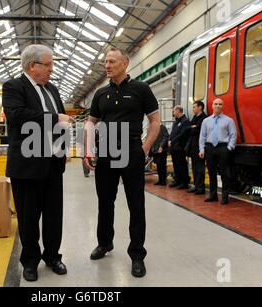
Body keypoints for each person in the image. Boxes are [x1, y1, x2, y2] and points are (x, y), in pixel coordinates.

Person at [84, 48, 161, 278]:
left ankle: (137, 254)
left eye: (112, 61)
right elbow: (90, 122)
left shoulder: (141, 89)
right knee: (105, 203)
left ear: (125, 63)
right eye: (105, 61)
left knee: (136, 205)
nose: (107, 65)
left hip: (131, 152)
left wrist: (144, 148)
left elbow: (155, 121)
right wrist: (89, 151)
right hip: (106, 153)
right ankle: (105, 243)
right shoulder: (100, 93)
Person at [2, 44, 74, 282]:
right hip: (27, 165)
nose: (52, 70)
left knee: (54, 215)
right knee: (28, 217)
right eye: (49, 65)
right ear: (33, 66)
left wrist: (63, 148)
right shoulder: (13, 87)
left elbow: (61, 124)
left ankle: (52, 256)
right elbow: (18, 116)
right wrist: (55, 118)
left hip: (53, 163)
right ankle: (30, 261)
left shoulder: (52, 89)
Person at [199, 98, 237, 205]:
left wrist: (229, 148)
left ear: (223, 106)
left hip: (223, 148)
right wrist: (202, 149)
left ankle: (225, 197)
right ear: (212, 106)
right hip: (210, 148)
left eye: (220, 104)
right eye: (216, 104)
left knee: (225, 174)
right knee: (211, 173)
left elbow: (233, 135)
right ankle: (213, 195)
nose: (218, 106)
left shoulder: (229, 120)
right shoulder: (206, 121)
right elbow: (202, 136)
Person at [186, 101, 208, 195]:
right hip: (193, 146)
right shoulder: (195, 117)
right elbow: (189, 128)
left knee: (200, 168)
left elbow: (197, 130)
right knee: (194, 168)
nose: (193, 109)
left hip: (200, 146)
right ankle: (196, 185)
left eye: (194, 107)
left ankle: (201, 187)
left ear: (200, 107)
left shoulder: (204, 118)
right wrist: (193, 127)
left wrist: (193, 128)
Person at [168, 106, 190, 189]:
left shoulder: (185, 121)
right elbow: (172, 133)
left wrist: (172, 141)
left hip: (180, 147)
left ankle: (184, 183)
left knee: (182, 165)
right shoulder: (176, 121)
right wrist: (169, 140)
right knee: (176, 165)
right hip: (174, 147)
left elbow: (182, 134)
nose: (173, 113)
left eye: (174, 111)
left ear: (178, 111)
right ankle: (178, 180)